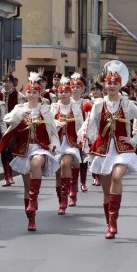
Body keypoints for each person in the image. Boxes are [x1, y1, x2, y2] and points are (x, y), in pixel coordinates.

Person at [86, 60, 137, 239]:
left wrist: (134, 140)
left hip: (123, 150)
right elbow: (89, 124)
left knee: (117, 176)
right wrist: (87, 139)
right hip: (103, 150)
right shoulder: (99, 105)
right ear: (104, 84)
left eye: (116, 83)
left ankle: (113, 223)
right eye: (109, 82)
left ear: (120, 84)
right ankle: (110, 223)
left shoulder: (127, 104)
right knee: (107, 192)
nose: (112, 85)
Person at [0, 72, 60, 231]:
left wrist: (54, 145)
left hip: (41, 147)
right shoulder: (19, 108)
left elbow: (53, 131)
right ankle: (31, 219)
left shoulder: (45, 109)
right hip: (24, 148)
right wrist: (20, 115)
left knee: (36, 162)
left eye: (35, 92)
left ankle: (33, 201)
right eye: (29, 92)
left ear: (40, 94)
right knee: (26, 186)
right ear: (25, 94)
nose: (31, 94)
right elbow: (8, 119)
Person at [50, 76, 84, 215]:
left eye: (66, 92)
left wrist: (82, 139)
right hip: (57, 143)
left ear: (70, 94)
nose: (63, 94)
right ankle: (61, 200)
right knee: (58, 173)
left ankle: (70, 194)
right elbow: (48, 124)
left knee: (66, 164)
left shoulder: (76, 108)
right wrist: (57, 123)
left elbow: (81, 126)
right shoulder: (53, 108)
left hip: (71, 143)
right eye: (61, 92)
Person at [0, 74, 24, 187]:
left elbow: (22, 111)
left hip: (13, 126)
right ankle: (7, 176)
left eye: (9, 82)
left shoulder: (18, 95)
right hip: (1, 126)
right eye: (5, 82)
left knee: (9, 149)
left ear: (13, 84)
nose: (7, 84)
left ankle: (11, 173)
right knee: (3, 151)